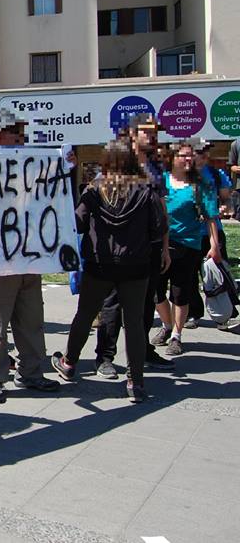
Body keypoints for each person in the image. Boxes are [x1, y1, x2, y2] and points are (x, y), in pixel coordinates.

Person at [51, 142, 167, 402]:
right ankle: (135, 382)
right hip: (136, 266)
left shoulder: (94, 190)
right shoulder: (146, 189)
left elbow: (78, 224)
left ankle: (69, 363)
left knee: (85, 315)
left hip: (99, 265)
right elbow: (158, 229)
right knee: (135, 323)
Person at [0, 111, 61, 403]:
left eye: (19, 132)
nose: (19, 137)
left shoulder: (32, 163)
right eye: (12, 132)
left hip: (30, 255)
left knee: (31, 319)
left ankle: (31, 373)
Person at [93, 115, 175, 374]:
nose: (151, 137)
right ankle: (104, 357)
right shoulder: (117, 164)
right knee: (113, 305)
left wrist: (164, 247)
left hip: (148, 248)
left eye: (154, 133)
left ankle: (143, 351)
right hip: (119, 250)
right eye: (146, 132)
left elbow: (162, 211)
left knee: (146, 303)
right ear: (131, 134)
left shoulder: (154, 168)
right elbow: (99, 200)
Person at [150, 140, 221, 356]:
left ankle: (176, 336)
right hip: (158, 244)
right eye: (183, 155)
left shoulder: (201, 184)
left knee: (180, 292)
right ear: (173, 158)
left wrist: (214, 245)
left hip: (187, 245)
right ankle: (167, 325)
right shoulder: (160, 181)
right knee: (155, 291)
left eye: (191, 155)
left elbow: (210, 217)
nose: (188, 159)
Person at [189, 141, 238, 331]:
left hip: (213, 232)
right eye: (197, 153)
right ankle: (193, 313)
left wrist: (225, 207)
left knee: (220, 275)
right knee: (189, 278)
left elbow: (226, 199)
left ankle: (225, 314)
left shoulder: (217, 175)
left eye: (203, 153)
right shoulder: (180, 177)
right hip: (190, 234)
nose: (200, 156)